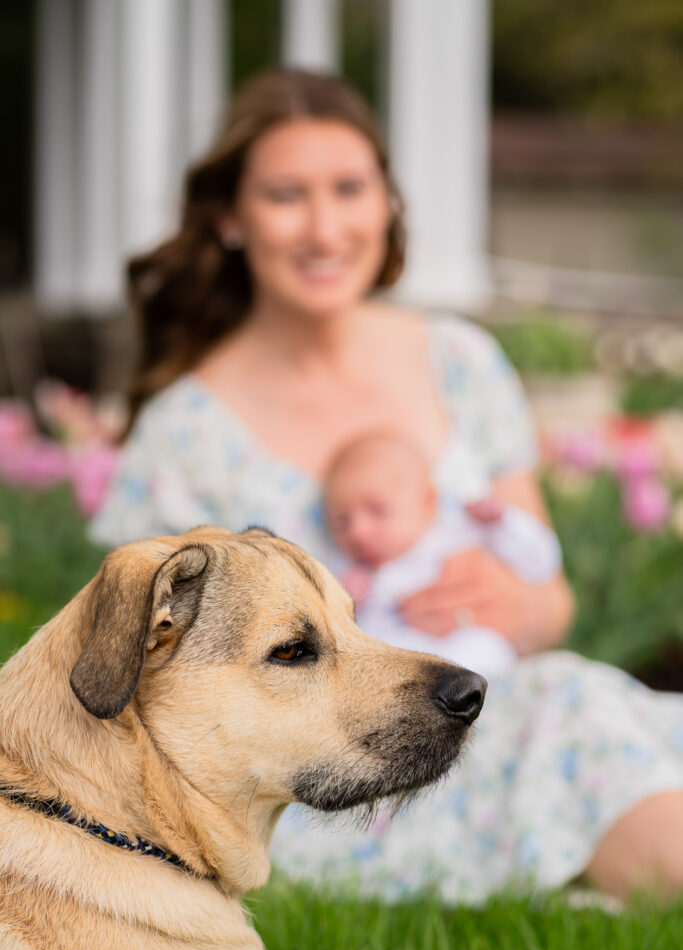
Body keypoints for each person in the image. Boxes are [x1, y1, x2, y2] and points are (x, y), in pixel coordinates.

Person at [91, 68, 683, 903]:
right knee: (570, 716)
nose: (325, 227)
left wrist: (517, 603)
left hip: (487, 702)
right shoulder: (184, 434)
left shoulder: (459, 362)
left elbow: (550, 605)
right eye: (287, 195)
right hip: (343, 785)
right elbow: (159, 699)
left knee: (587, 700)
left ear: (385, 205)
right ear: (229, 219)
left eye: (349, 189)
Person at [322, 431, 562, 677]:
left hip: (469, 651)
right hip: (404, 662)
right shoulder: (356, 573)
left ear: (428, 501)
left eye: (378, 510)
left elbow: (542, 562)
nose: (358, 532)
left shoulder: (459, 530)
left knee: (483, 650)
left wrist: (502, 523)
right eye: (342, 522)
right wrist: (349, 601)